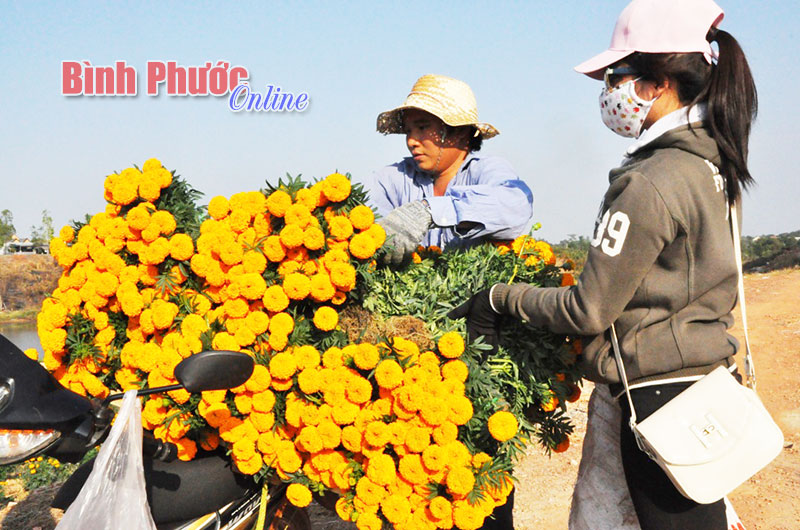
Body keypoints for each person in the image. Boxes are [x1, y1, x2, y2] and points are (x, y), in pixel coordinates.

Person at [448, 0, 757, 528]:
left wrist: (500, 297)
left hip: (658, 400)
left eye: (614, 76)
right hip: (704, 387)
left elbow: (588, 309)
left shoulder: (652, 180)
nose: (607, 91)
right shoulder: (711, 164)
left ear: (656, 83)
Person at [364, 74, 534, 266]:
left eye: (422, 128)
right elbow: (365, 217)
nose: (411, 141)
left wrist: (428, 211)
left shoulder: (486, 171)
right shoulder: (392, 179)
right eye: (408, 131)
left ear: (459, 131)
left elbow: (515, 204)